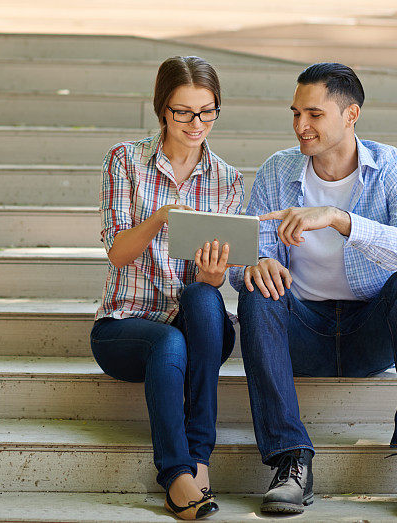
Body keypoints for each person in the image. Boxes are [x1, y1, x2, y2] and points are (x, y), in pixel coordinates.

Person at [229, 62, 397, 516]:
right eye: (295, 113)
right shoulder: (277, 171)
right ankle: (290, 459)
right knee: (255, 290)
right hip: (302, 332)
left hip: (371, 333)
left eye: (314, 114)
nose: (300, 126)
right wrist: (257, 262)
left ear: (351, 115)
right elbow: (240, 265)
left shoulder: (392, 169)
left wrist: (339, 219)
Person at [90, 55, 243, 520]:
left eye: (207, 110)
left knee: (202, 297)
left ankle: (199, 459)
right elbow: (117, 253)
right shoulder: (125, 161)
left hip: (195, 325)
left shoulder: (227, 180)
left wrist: (214, 275)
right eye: (183, 111)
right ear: (162, 109)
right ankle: (179, 473)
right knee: (169, 342)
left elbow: (210, 283)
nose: (197, 123)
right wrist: (160, 217)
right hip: (125, 327)